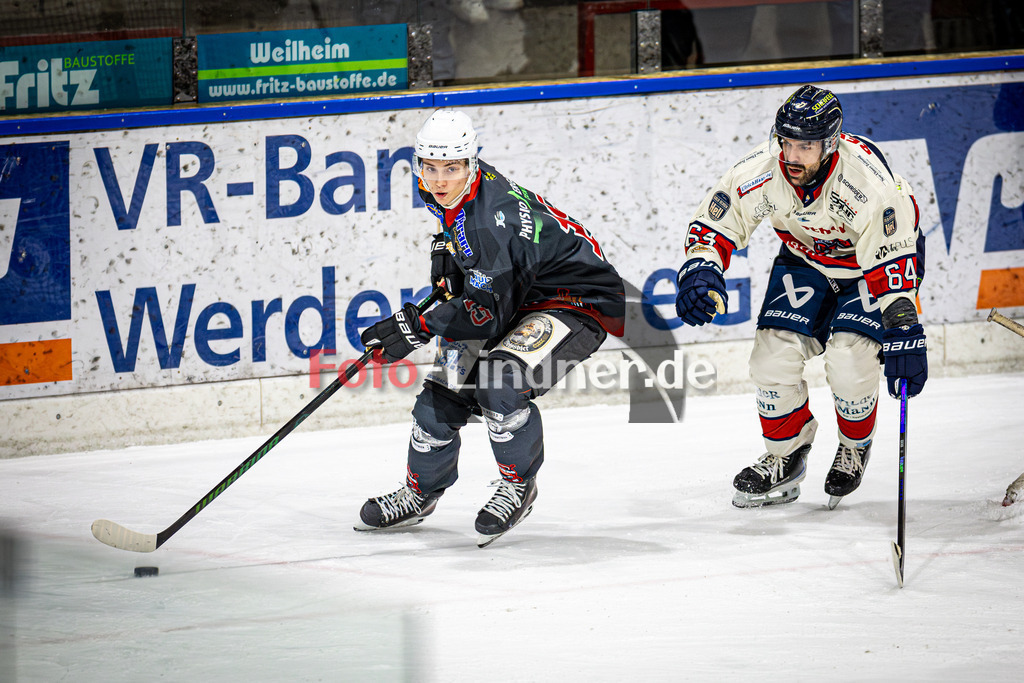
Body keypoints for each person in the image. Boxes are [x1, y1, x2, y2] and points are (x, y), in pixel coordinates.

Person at [356, 109, 625, 546]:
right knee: (442, 394)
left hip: (577, 301)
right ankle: (420, 493)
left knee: (500, 382)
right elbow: (470, 246)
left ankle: (518, 485)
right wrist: (447, 248)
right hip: (518, 292)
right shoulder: (453, 189)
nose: (439, 180)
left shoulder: (492, 220)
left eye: (451, 168)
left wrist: (416, 327)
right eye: (429, 167)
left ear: (471, 163)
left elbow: (485, 314)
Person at [674, 84, 927, 508]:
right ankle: (786, 455)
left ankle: (855, 446)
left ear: (830, 144)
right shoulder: (762, 169)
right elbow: (717, 222)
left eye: (805, 146)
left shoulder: (870, 185)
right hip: (806, 261)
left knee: (850, 360)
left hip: (871, 268)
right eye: (786, 141)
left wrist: (903, 327)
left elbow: (892, 261)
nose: (791, 155)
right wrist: (701, 268)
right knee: (770, 359)